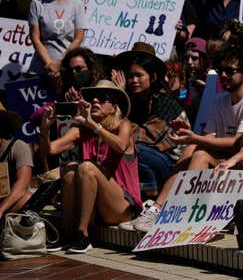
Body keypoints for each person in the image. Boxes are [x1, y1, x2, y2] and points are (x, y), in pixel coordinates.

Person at [120, 44, 243, 233]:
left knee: (199, 153)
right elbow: (209, 136)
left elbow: (238, 143)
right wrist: (191, 137)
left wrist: (194, 138)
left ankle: (179, 211)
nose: (224, 75)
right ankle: (158, 209)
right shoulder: (220, 100)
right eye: (220, 71)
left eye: (230, 70)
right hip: (224, 159)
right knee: (192, 149)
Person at [39, 80, 140, 253]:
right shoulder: (81, 130)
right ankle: (66, 232)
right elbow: (50, 149)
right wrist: (45, 129)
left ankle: (83, 235)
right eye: (93, 98)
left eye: (102, 98)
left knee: (86, 167)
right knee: (70, 168)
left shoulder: (124, 125)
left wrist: (93, 124)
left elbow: (120, 146)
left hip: (123, 206)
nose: (95, 101)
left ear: (114, 107)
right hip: (98, 206)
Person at [112, 42, 187, 198]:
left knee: (130, 146)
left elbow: (145, 138)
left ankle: (149, 196)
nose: (133, 80)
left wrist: (120, 104)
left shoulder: (165, 102)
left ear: (152, 77)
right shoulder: (133, 100)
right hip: (149, 158)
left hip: (172, 166)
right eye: (130, 76)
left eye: (139, 75)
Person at [28, 0, 88, 77]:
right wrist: (50, 64)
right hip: (41, 70)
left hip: (68, 69)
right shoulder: (37, 3)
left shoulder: (77, 4)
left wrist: (60, 63)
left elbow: (78, 38)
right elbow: (35, 38)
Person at [0, 105, 33, 219]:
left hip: (7, 204)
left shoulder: (18, 147)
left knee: (26, 198)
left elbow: (22, 184)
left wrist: (1, 210)